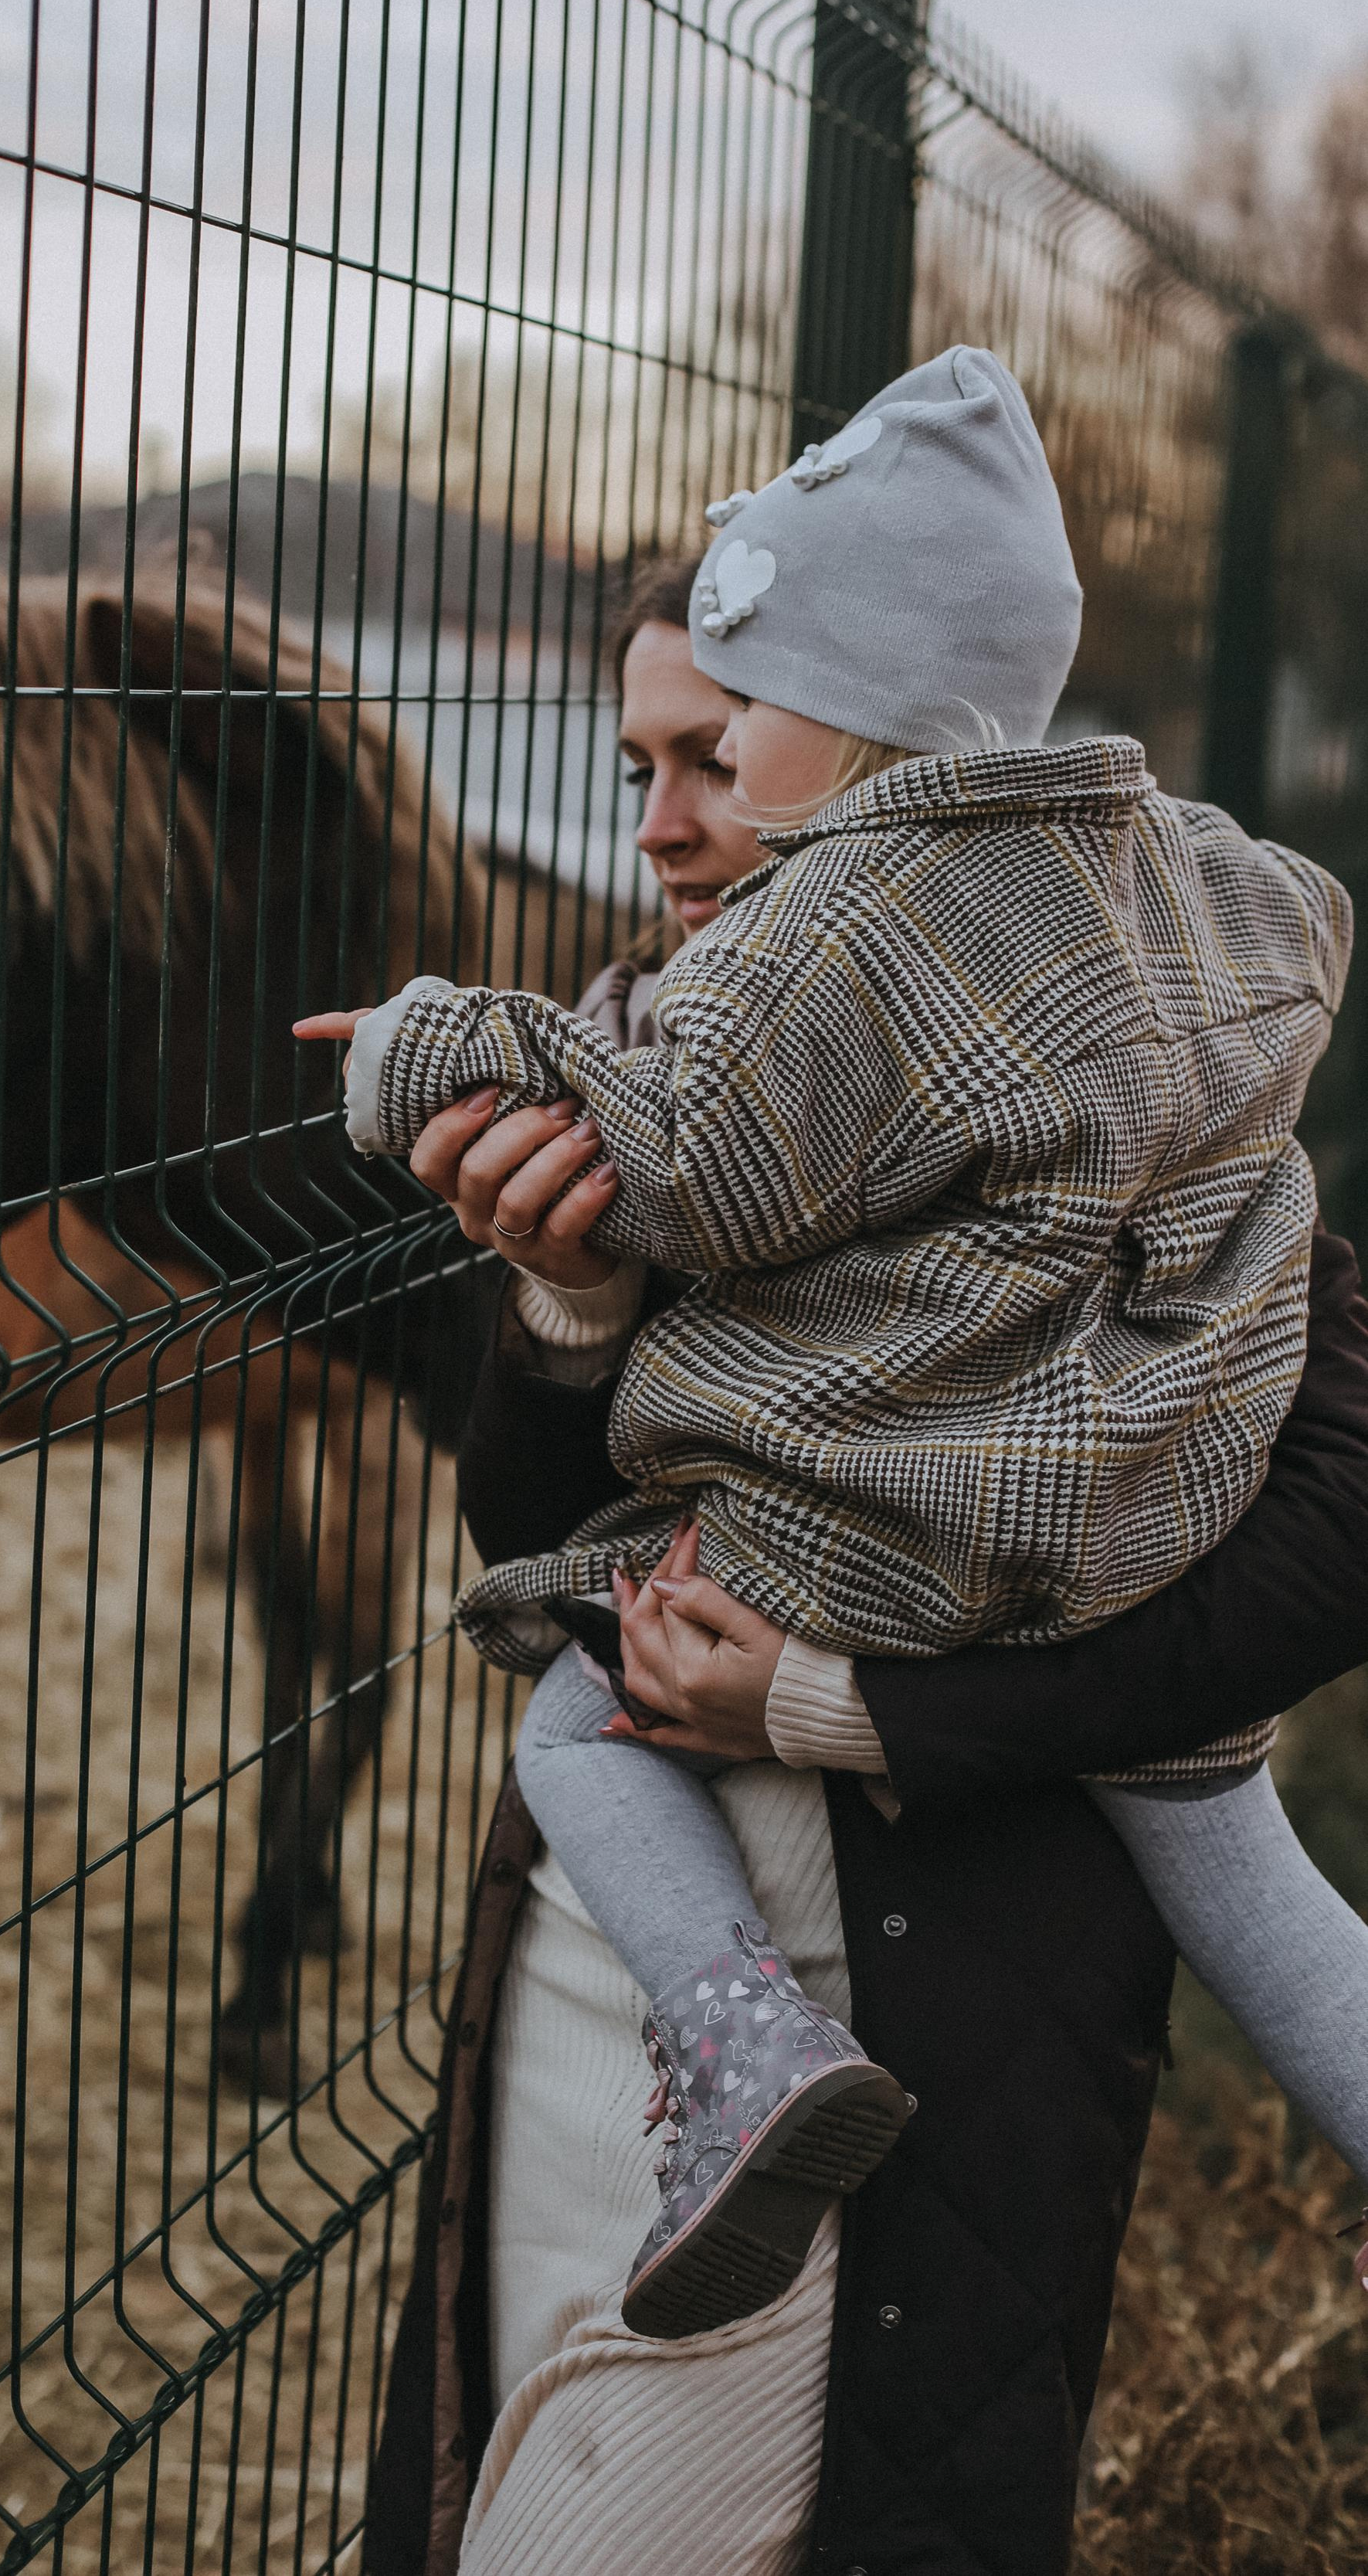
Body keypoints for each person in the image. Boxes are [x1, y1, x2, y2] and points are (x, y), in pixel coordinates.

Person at [302, 345, 1363, 2340]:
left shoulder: (820, 960)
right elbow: (1295, 913)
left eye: (726, 741)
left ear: (855, 715)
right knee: (1260, 1874)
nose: (667, 828)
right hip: (1140, 1532)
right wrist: (566, 1309)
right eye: (638, 769)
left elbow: (683, 1145)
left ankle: (745, 2042)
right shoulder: (1154, 897)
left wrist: (430, 1038)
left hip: (937, 1771)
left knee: (574, 1682)